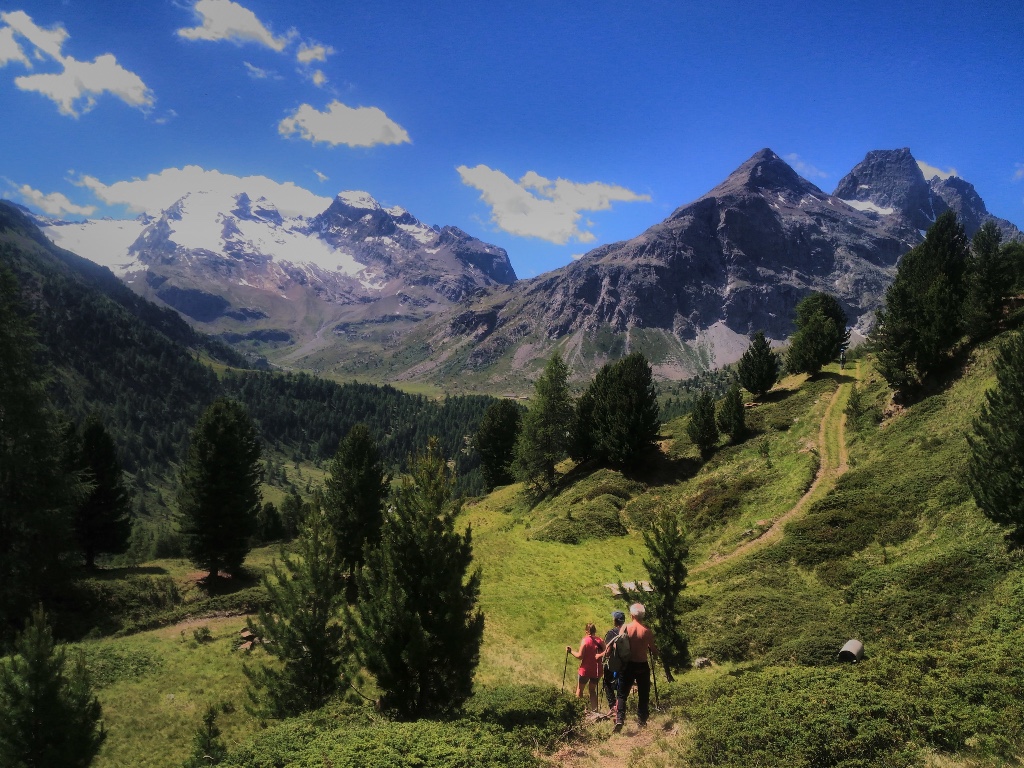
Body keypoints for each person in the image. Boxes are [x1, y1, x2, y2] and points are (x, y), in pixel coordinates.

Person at [614, 603, 658, 731]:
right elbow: (654, 651)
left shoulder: (626, 627)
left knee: (622, 694)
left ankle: (620, 719)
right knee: (643, 694)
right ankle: (642, 721)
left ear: (632, 615)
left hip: (628, 664)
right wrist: (651, 649)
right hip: (642, 665)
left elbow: (618, 646)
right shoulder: (647, 631)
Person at [567, 622, 604, 711]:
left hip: (585, 670)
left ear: (586, 631)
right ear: (595, 630)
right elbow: (607, 652)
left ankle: (578, 710)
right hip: (597, 670)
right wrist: (599, 656)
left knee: (580, 690)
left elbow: (580, 656)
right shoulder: (600, 641)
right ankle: (595, 710)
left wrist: (571, 651)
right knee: (592, 690)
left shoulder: (585, 640)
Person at [603, 610, 626, 713]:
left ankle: (613, 706)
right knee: (623, 685)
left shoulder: (611, 633)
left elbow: (607, 652)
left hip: (615, 664)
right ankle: (621, 706)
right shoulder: (628, 632)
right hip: (627, 663)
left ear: (615, 621)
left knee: (607, 682)